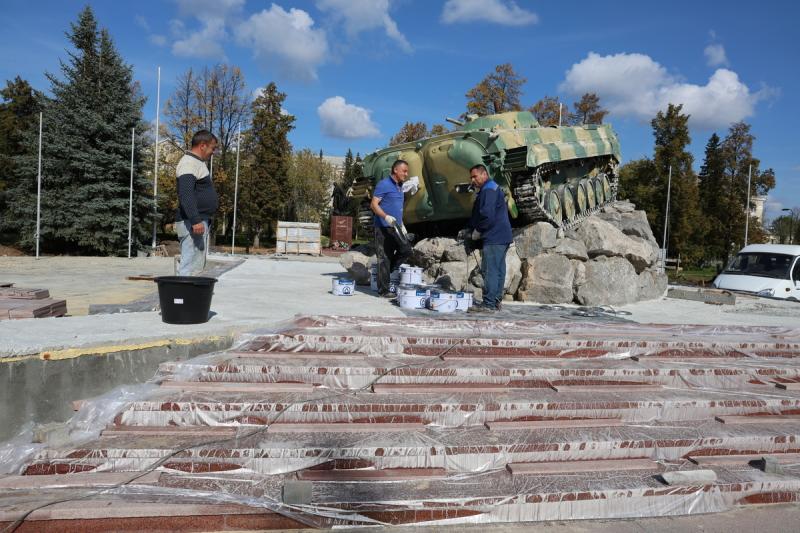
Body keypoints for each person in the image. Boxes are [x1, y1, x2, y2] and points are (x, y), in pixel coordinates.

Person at [464, 164, 513, 312]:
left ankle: (489, 304)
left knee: (491, 270)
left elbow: (487, 215)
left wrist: (476, 233)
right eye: (471, 177)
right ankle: (496, 300)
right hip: (502, 235)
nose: (473, 180)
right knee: (499, 269)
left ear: (484, 174)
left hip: (494, 236)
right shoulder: (491, 187)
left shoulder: (488, 191)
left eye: (475, 176)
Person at [175, 130, 219, 276]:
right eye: (212, 148)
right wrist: (195, 220)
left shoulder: (196, 163)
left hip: (197, 221)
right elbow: (186, 194)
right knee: (189, 265)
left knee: (195, 264)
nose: (213, 152)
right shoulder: (188, 163)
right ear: (202, 145)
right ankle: (183, 295)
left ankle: (190, 295)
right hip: (192, 222)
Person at [371, 159, 412, 297]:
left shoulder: (400, 187)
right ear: (395, 170)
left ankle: (386, 272)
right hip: (382, 228)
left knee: (406, 250)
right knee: (384, 258)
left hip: (396, 227)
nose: (406, 174)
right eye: (404, 171)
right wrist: (385, 216)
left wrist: (402, 224)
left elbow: (397, 208)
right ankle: (383, 290)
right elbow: (374, 205)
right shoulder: (384, 184)